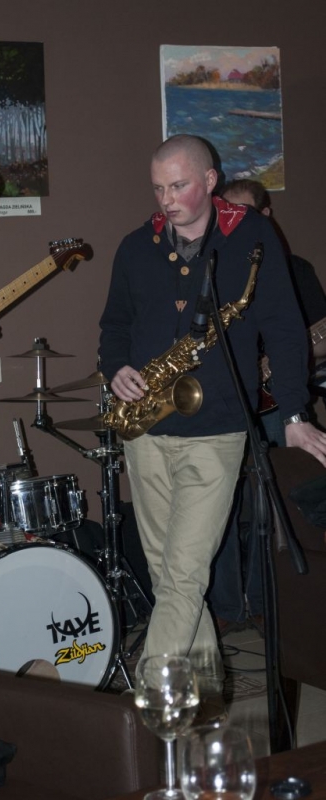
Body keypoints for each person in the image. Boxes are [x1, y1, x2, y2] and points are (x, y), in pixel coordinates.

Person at [98, 135, 326, 712]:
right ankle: (201, 699)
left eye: (178, 185)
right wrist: (116, 367)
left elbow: (285, 328)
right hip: (147, 431)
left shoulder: (251, 238)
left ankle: (152, 705)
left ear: (210, 180)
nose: (166, 199)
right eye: (158, 187)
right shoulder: (137, 245)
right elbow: (114, 325)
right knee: (167, 572)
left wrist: (295, 414)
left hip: (217, 428)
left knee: (183, 574)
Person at [208, 178, 326, 636]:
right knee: (218, 505)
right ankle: (225, 606)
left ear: (266, 216)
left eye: (245, 214)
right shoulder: (212, 267)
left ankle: (263, 603)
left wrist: (277, 361)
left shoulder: (295, 269)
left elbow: (320, 337)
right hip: (223, 401)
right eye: (227, 214)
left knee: (272, 505)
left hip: (276, 403)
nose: (235, 223)